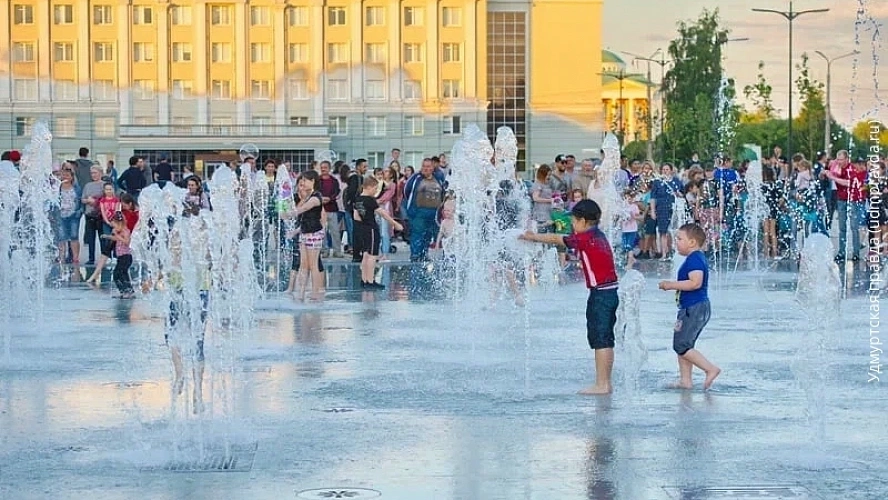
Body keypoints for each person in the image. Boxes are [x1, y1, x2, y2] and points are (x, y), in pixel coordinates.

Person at [519, 200, 619, 395]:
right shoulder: (597, 235)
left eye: (573, 221)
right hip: (608, 292)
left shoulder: (585, 238)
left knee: (601, 339)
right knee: (604, 338)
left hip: (601, 295)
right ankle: (605, 382)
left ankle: (602, 384)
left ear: (582, 221)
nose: (572, 225)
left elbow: (558, 239)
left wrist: (533, 237)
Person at [658, 223, 720, 390]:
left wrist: (671, 285)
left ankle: (710, 369)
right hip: (690, 307)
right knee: (683, 343)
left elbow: (695, 283)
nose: (675, 242)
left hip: (694, 308)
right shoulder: (695, 258)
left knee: (681, 345)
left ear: (692, 242)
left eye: (679, 239)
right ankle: (686, 380)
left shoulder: (695, 259)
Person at [353, 176, 403, 288]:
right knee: (372, 255)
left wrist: (363, 223)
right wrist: (395, 224)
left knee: (365, 254)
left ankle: (364, 279)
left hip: (362, 229)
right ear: (369, 187)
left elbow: (356, 216)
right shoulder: (370, 200)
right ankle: (370, 281)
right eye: (375, 189)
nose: (376, 191)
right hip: (371, 229)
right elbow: (383, 213)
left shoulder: (357, 199)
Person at [103, 212, 135, 299]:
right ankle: (128, 291)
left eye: (114, 226)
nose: (114, 228)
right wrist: (108, 236)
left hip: (126, 257)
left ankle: (125, 290)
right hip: (121, 257)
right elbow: (116, 239)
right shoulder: (120, 231)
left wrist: (117, 235)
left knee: (117, 273)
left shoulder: (126, 231)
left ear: (119, 223)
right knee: (123, 274)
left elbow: (127, 242)